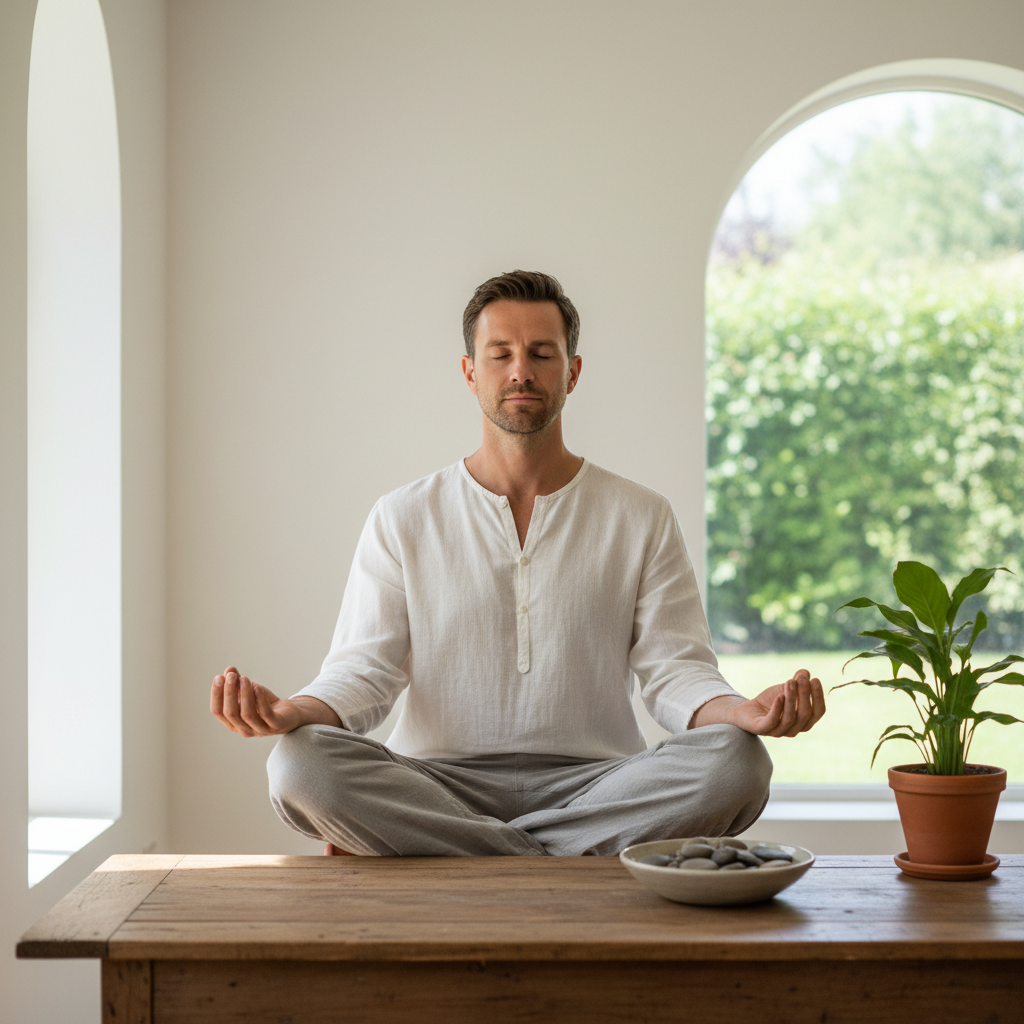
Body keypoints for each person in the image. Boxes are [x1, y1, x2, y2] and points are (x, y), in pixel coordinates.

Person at [210, 270, 825, 857]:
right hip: (435, 787)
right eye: (500, 353)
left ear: (573, 371)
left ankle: (475, 856)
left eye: (541, 353)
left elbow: (676, 673)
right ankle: (557, 856)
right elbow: (364, 673)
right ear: (469, 371)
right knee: (298, 762)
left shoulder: (641, 515)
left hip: (599, 786)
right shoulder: (402, 516)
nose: (520, 371)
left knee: (739, 763)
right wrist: (295, 711)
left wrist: (742, 712)